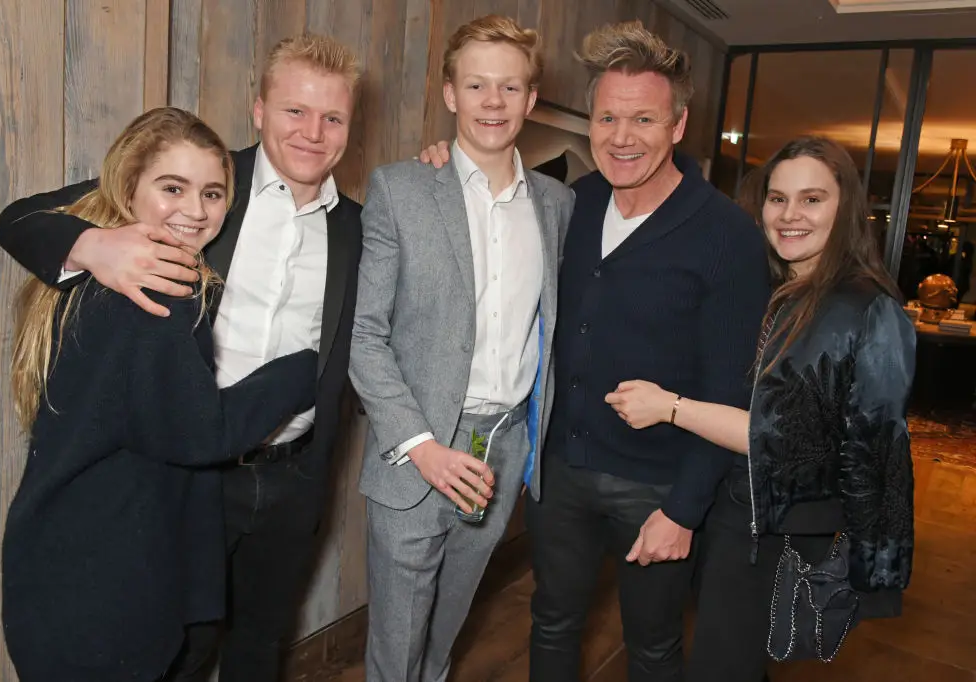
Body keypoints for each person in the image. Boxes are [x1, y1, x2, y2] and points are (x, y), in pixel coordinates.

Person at [0, 35, 364, 682]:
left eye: (332, 117)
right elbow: (23, 217)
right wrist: (93, 246)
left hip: (295, 479)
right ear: (259, 110)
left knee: (261, 645)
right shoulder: (206, 186)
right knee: (182, 647)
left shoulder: (363, 227)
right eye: (294, 111)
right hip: (191, 477)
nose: (313, 132)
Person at [420, 19, 769, 682]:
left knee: (654, 644)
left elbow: (730, 389)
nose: (622, 137)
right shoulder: (569, 204)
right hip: (564, 474)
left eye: (643, 119)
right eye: (607, 118)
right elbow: (490, 205)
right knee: (551, 621)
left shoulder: (727, 236)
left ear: (678, 125)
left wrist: (684, 509)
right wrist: (447, 161)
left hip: (659, 487)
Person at [611, 136, 916, 681]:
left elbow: (792, 438)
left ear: (845, 208)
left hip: (779, 529)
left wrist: (670, 407)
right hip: (733, 508)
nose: (790, 214)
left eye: (812, 199)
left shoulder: (866, 307)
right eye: (778, 199)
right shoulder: (776, 288)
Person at [349, 15, 573, 682]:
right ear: (450, 94)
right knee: (397, 643)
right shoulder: (402, 188)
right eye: (477, 85)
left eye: (510, 87)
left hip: (502, 449)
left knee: (447, 626)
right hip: (419, 449)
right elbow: (366, 335)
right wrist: (421, 447)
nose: (493, 103)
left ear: (532, 100)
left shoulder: (559, 206)